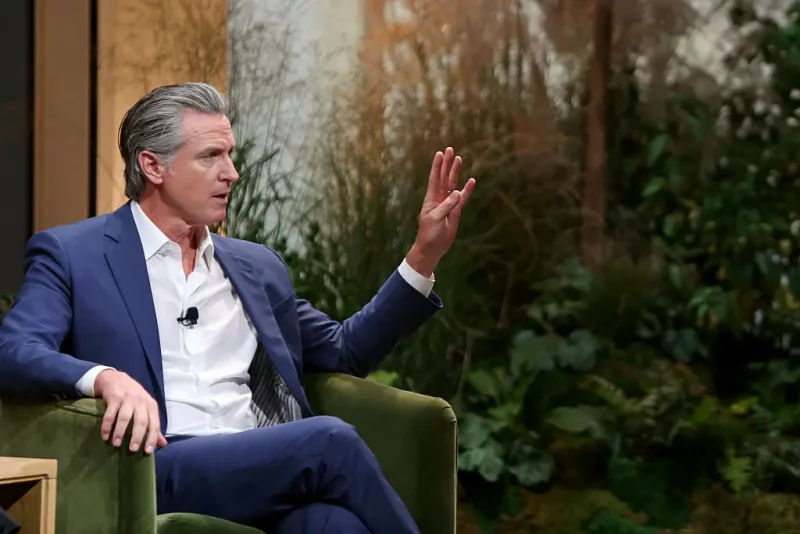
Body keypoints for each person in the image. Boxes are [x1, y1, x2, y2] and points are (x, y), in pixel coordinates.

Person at [0, 83, 475, 533]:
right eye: (211, 156)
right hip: (155, 465)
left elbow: (343, 351)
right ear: (152, 165)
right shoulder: (75, 254)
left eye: (230, 154)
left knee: (336, 525)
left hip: (256, 465)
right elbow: (14, 351)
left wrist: (423, 256)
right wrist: (104, 377)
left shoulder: (254, 266)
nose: (232, 172)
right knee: (329, 440)